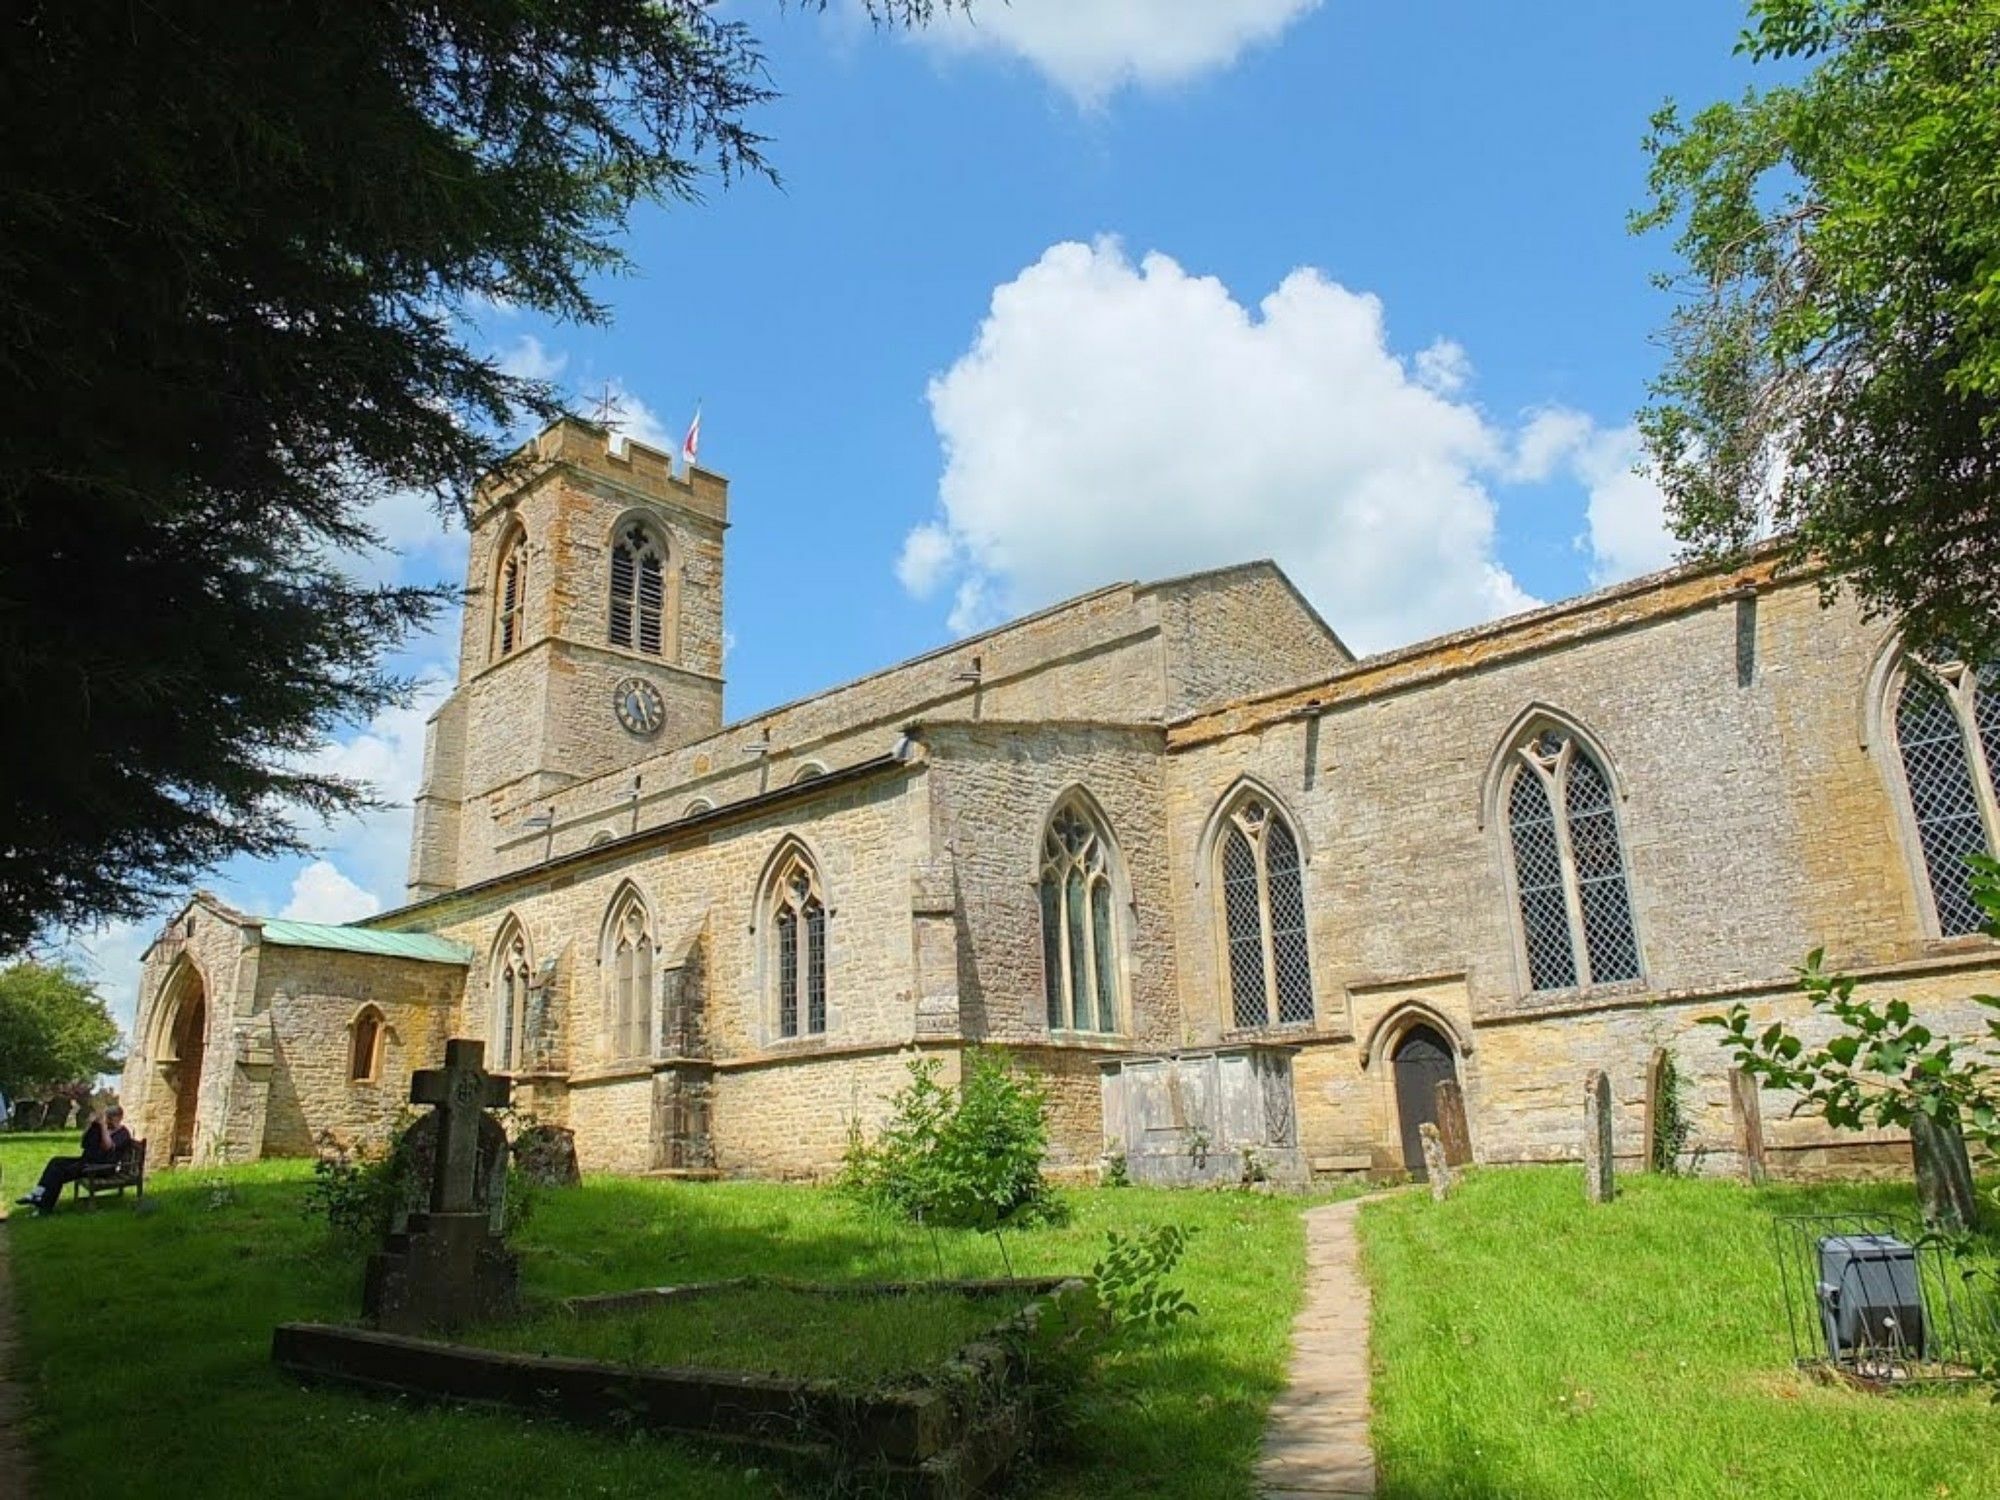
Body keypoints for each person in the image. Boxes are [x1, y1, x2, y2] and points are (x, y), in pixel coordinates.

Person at [17, 1106, 134, 1215]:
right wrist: (91, 1125)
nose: (108, 1121)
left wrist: (103, 1127)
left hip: (102, 1168)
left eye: (110, 1118)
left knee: (60, 1172)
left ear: (119, 1117)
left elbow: (108, 1147)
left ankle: (45, 1207)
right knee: (56, 1161)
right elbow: (84, 1143)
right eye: (107, 1117)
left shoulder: (123, 1133)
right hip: (88, 1161)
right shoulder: (104, 1129)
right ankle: (38, 1193)